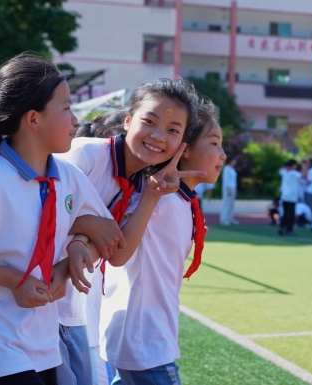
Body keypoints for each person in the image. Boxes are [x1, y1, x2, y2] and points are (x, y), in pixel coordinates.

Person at [0, 53, 118, 384]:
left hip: (44, 341)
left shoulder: (69, 176)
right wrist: (13, 280)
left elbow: (107, 233)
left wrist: (75, 252)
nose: (75, 119)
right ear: (33, 119)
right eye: (65, 108)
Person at [56, 78, 202, 385]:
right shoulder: (85, 155)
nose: (158, 136)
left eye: (173, 131)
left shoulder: (140, 186)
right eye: (149, 121)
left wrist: (151, 194)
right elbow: (35, 213)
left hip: (72, 311)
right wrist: (87, 226)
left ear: (182, 145)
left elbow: (119, 254)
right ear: (127, 120)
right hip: (33, 305)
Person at [99, 100, 226, 385]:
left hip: (138, 338)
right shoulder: (160, 199)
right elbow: (118, 254)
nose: (223, 155)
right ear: (185, 148)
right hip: (145, 341)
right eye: (215, 143)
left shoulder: (176, 200)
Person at [278, 159, 302, 235]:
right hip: (292, 196)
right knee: (291, 214)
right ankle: (289, 229)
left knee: (285, 213)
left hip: (284, 196)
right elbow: (303, 176)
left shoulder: (284, 171)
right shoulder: (295, 173)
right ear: (293, 165)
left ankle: (281, 226)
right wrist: (304, 168)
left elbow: (280, 169)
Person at [220, 158, 238, 225]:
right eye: (233, 161)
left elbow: (234, 181)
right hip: (227, 188)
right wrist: (228, 189)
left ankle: (230, 218)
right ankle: (224, 219)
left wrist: (235, 189)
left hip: (233, 188)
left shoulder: (232, 169)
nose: (234, 163)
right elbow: (226, 180)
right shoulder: (226, 169)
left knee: (231, 205)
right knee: (226, 204)